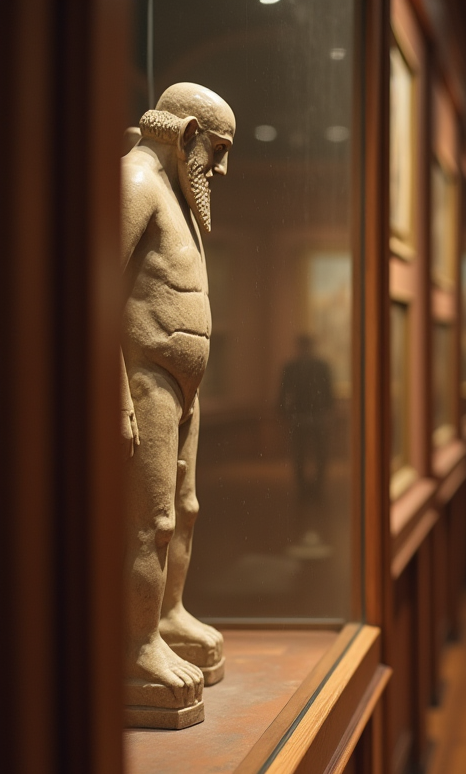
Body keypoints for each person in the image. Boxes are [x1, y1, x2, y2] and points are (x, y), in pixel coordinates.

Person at [120, 82, 236, 719]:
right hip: (146, 376)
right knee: (151, 517)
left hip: (178, 381)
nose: (221, 168)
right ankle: (135, 646)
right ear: (187, 133)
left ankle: (165, 616)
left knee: (183, 507)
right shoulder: (136, 183)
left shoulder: (174, 192)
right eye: (218, 150)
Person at [279, 334, 334, 499]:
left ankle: (314, 489)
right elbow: (282, 393)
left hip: (311, 415)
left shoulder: (317, 367)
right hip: (305, 415)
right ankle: (306, 489)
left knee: (314, 453)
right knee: (303, 454)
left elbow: (327, 392)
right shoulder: (296, 367)